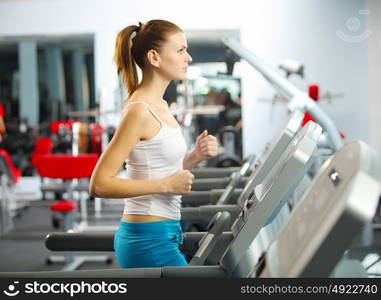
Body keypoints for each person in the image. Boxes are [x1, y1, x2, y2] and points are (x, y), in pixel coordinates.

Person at [89, 20, 219, 268]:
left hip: (165, 232)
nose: (188, 57)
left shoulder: (161, 107)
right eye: (180, 50)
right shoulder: (139, 110)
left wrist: (194, 157)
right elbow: (99, 184)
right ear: (154, 58)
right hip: (147, 240)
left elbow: (158, 167)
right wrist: (167, 185)